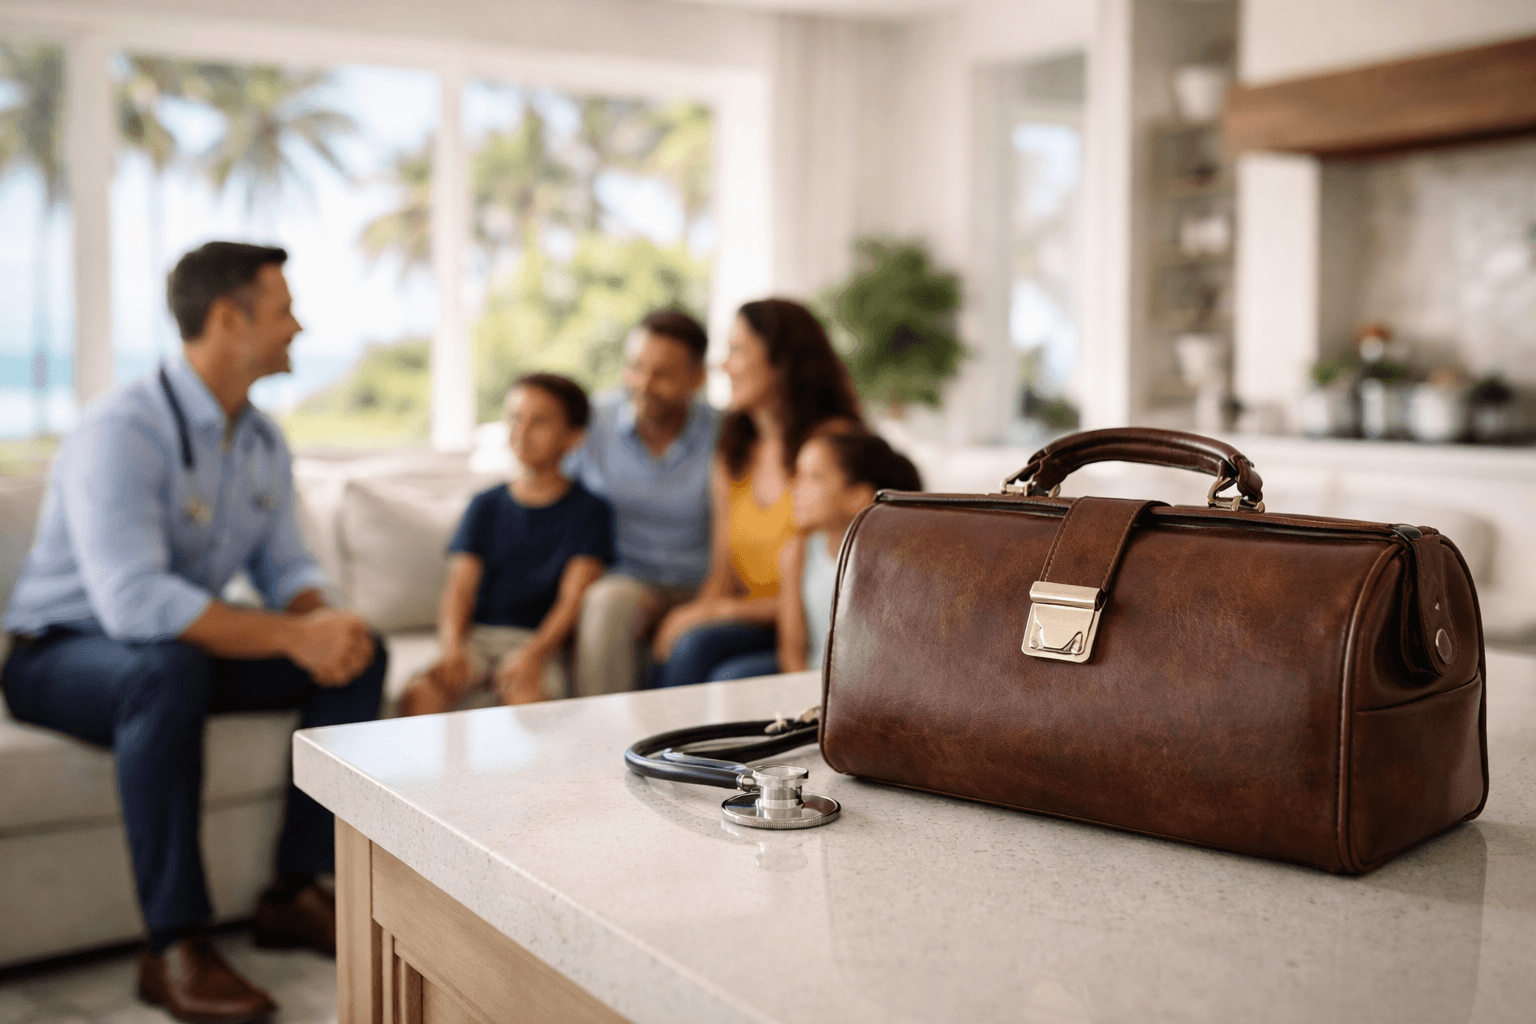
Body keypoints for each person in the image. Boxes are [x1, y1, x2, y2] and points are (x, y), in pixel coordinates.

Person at [1, 242, 387, 1024]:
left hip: (174, 651)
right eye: (283, 311)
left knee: (358, 654)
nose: (298, 327)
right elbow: (134, 605)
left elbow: (289, 569)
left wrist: (326, 621)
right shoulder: (122, 429)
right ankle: (173, 945)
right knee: (165, 669)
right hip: (59, 654)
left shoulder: (262, 441)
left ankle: (294, 891)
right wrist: (289, 636)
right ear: (226, 319)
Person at [649, 298, 862, 688]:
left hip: (812, 628)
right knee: (687, 644)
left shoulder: (832, 450)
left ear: (782, 360)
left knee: (709, 657)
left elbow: (829, 583)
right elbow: (722, 571)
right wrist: (696, 613)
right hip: (754, 620)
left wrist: (718, 613)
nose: (724, 365)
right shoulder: (733, 450)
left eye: (737, 350)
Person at [399, 374, 614, 714]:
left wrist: (535, 654)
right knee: (421, 695)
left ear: (573, 437)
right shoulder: (484, 505)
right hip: (478, 640)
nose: (522, 431)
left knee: (529, 708)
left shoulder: (590, 511)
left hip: (536, 644)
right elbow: (458, 590)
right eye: (515, 418)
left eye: (539, 421)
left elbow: (573, 600)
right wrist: (453, 647)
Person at [564, 310, 719, 696]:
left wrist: (705, 604)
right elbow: (556, 502)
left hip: (703, 584)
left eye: (662, 374)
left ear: (697, 378)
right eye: (635, 367)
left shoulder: (727, 432)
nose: (644, 384)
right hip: (627, 579)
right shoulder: (591, 423)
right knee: (607, 604)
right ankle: (603, 744)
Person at [777, 432, 923, 673]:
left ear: (858, 497)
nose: (795, 488)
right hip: (813, 690)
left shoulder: (895, 563)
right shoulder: (798, 553)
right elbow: (792, 653)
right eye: (798, 475)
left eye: (813, 477)